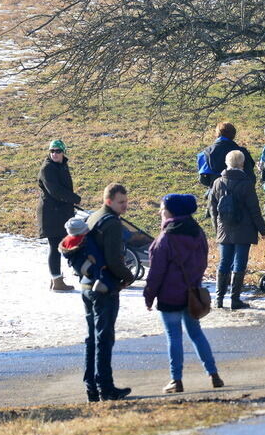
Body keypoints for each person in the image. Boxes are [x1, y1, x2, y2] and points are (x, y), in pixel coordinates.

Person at [143, 194, 224, 394]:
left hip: (169, 296)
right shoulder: (198, 233)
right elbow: (203, 262)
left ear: (172, 212)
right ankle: (213, 374)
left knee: (174, 336)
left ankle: (176, 379)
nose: (160, 212)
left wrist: (149, 295)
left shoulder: (165, 238)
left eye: (163, 208)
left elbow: (156, 273)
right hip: (191, 294)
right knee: (196, 333)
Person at [83, 183, 136, 401]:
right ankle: (106, 387)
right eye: (120, 202)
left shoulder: (93, 217)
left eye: (126, 201)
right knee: (104, 339)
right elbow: (114, 260)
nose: (125, 206)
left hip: (87, 285)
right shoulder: (112, 224)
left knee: (92, 338)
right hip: (105, 287)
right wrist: (129, 276)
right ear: (109, 201)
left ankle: (92, 387)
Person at [208, 150, 265, 309]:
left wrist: (217, 227)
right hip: (244, 230)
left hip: (224, 229)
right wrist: (263, 230)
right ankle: (235, 299)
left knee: (223, 263)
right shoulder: (247, 184)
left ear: (227, 163)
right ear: (242, 164)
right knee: (239, 264)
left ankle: (219, 299)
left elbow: (212, 208)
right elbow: (254, 209)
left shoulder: (217, 183)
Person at [37, 139, 81, 291]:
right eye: (52, 151)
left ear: (63, 152)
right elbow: (55, 191)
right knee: (55, 246)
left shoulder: (61, 166)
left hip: (60, 212)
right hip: (51, 214)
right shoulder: (47, 168)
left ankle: (56, 279)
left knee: (60, 245)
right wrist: (74, 198)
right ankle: (57, 280)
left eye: (57, 151)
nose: (54, 153)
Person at [197, 122, 255, 192]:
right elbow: (251, 176)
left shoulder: (206, 153)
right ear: (233, 135)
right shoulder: (242, 153)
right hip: (240, 193)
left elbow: (203, 179)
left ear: (217, 134)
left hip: (216, 193)